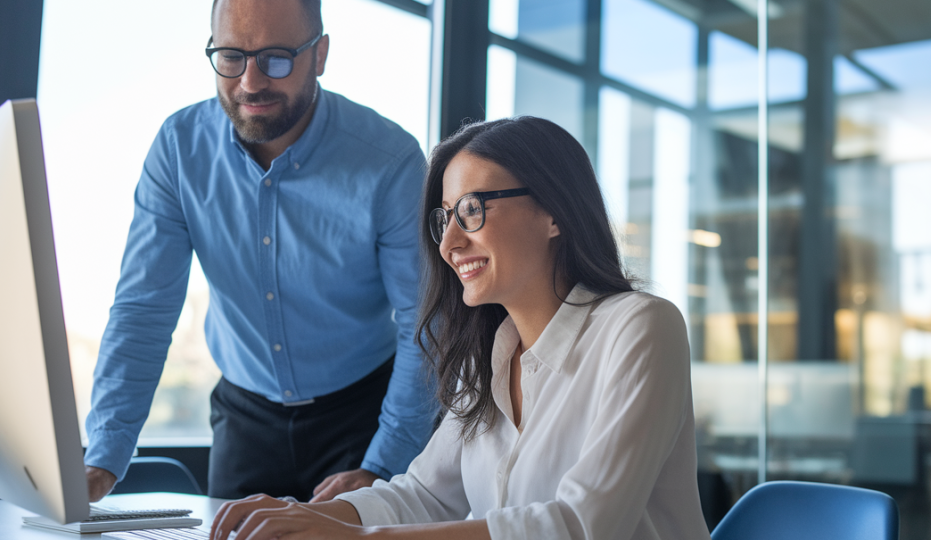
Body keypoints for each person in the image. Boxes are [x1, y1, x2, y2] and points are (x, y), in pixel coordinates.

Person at [206, 116, 712, 539]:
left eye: (471, 210)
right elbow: (425, 494)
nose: (448, 242)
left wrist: (360, 539)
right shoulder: (486, 356)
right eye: (444, 217)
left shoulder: (641, 327)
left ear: (555, 212)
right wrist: (301, 518)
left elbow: (581, 524)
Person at [82, 0, 436, 503]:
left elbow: (426, 322)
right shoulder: (179, 150)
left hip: (364, 415)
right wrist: (103, 457)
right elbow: (144, 310)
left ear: (320, 55)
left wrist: (385, 463)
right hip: (245, 417)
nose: (250, 82)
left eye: (275, 58)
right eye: (230, 56)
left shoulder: (390, 161)